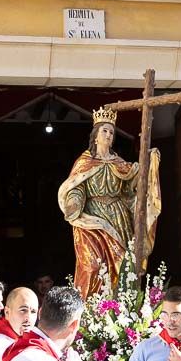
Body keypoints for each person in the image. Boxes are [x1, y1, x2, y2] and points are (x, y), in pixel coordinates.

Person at [58, 106, 160, 300]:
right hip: (91, 220)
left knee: (123, 266)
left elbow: (133, 188)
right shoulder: (84, 162)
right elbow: (77, 187)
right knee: (92, 266)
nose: (108, 135)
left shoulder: (119, 163)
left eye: (112, 132)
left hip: (117, 218)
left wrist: (149, 160)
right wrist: (74, 202)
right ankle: (90, 311)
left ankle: (119, 312)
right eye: (104, 130)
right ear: (95, 135)